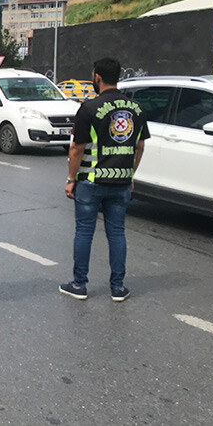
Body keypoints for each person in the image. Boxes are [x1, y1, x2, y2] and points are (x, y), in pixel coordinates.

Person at [60, 57, 149, 302]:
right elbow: (139, 146)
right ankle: (118, 287)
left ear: (97, 77)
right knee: (117, 233)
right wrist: (130, 174)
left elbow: (76, 148)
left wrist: (71, 178)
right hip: (121, 181)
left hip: (90, 181)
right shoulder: (136, 108)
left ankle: (79, 284)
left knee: (84, 232)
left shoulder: (88, 108)